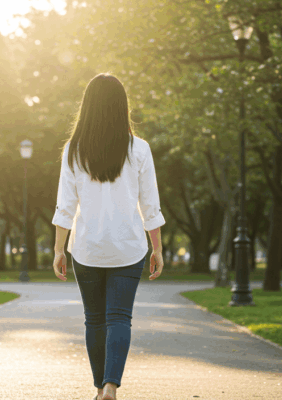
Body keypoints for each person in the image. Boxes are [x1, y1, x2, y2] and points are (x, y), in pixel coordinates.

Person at [51, 73, 165, 400]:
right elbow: (150, 205)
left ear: (86, 107)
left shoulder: (73, 150)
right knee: (119, 318)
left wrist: (59, 249)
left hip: (86, 249)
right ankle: (111, 386)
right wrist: (156, 248)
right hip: (129, 248)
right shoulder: (139, 150)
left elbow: (65, 205)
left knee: (94, 321)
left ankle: (100, 387)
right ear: (122, 107)